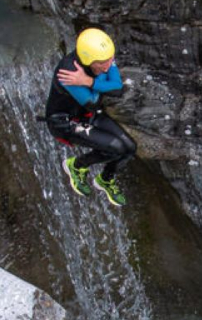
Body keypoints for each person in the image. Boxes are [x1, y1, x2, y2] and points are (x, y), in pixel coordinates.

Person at [45, 27, 137, 208]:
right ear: (89, 60)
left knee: (130, 148)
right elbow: (93, 102)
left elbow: (117, 88)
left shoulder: (104, 58)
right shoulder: (68, 73)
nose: (109, 65)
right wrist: (102, 84)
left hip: (87, 115)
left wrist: (89, 82)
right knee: (117, 148)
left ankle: (105, 179)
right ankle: (76, 166)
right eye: (103, 63)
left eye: (111, 59)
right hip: (66, 123)